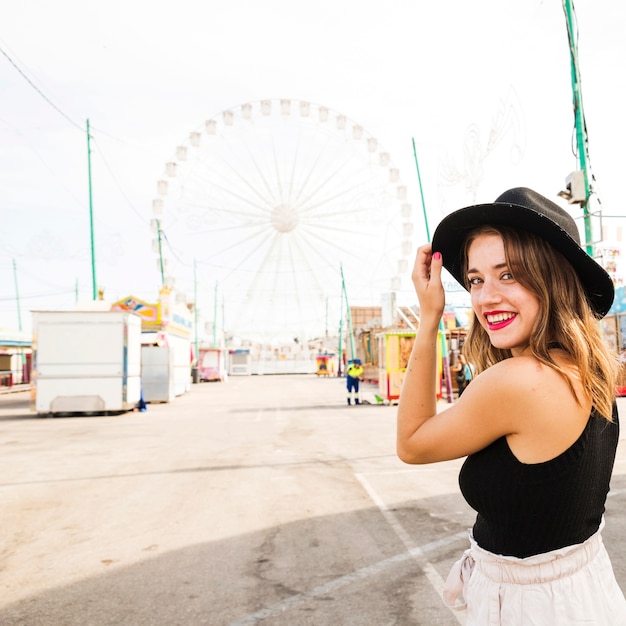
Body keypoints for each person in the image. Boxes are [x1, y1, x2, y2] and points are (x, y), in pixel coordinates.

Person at [396, 187, 626, 624]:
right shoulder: (589, 368)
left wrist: (429, 321)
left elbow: (411, 443)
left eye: (509, 275)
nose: (484, 298)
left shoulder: (518, 381)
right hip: (584, 592)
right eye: (477, 279)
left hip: (530, 609)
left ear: (553, 279)